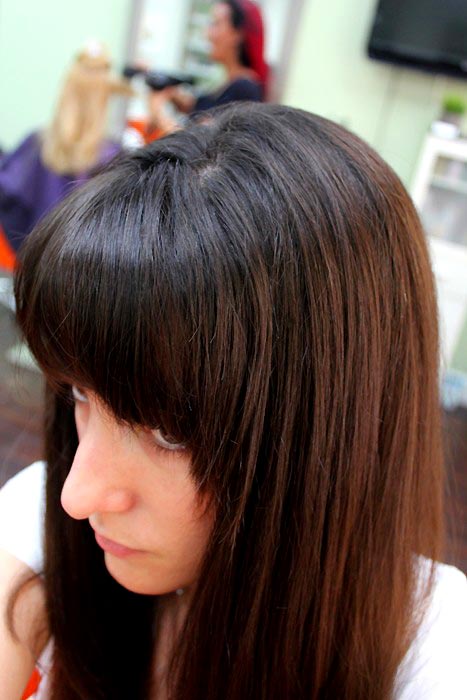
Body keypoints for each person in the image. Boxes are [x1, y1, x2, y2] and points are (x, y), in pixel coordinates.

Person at [0, 103, 466, 700]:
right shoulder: (38, 520)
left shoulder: (435, 652)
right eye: (79, 393)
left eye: (170, 432)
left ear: (330, 427)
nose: (78, 496)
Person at [0, 40, 131, 254]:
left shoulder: (35, 145)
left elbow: (9, 196)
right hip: (80, 269)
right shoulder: (115, 159)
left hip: (36, 262)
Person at [146, 0, 268, 137]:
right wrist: (172, 95)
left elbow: (200, 145)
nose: (207, 33)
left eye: (215, 24)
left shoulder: (244, 89)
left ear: (237, 34)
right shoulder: (229, 82)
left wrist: (158, 112)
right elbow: (203, 110)